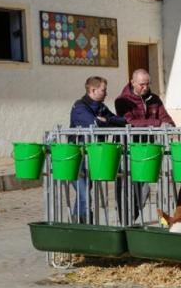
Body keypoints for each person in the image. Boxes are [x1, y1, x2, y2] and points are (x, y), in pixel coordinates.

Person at [115, 69, 175, 224]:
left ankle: (129, 220)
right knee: (126, 187)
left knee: (144, 189)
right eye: (142, 84)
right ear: (133, 82)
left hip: (147, 149)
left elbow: (165, 117)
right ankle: (125, 222)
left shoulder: (154, 99)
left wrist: (170, 125)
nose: (145, 87)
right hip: (128, 149)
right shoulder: (122, 100)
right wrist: (157, 124)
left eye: (147, 84)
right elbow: (130, 122)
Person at [69, 76, 126, 223]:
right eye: (103, 90)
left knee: (85, 192)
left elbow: (122, 121)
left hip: (93, 156)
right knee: (84, 194)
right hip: (77, 157)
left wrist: (106, 120)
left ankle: (78, 224)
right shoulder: (80, 107)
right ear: (93, 90)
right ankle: (84, 223)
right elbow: (93, 126)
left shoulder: (101, 107)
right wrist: (104, 123)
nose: (106, 93)